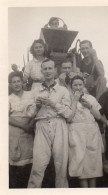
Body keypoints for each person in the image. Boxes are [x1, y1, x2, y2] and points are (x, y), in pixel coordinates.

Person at [27, 59, 72, 188]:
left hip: (59, 124)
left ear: (55, 70)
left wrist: (53, 104)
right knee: (38, 164)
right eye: (45, 69)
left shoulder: (62, 90)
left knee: (61, 164)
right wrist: (37, 106)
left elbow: (69, 113)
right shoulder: (35, 91)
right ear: (41, 71)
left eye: (50, 68)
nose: (47, 71)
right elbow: (29, 114)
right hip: (41, 125)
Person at [68, 75, 104, 187]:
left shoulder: (91, 98)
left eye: (80, 85)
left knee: (92, 162)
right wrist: (74, 100)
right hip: (76, 132)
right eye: (75, 85)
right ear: (71, 86)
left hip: (91, 131)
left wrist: (90, 106)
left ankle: (92, 190)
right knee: (80, 162)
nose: (78, 87)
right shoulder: (68, 99)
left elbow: (98, 116)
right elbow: (68, 118)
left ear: (83, 85)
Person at [9, 71, 35, 188]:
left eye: (18, 81)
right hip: (15, 130)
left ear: (22, 82)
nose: (16, 84)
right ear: (10, 84)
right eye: (13, 82)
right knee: (16, 160)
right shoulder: (8, 99)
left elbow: (36, 111)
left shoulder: (30, 95)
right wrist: (24, 126)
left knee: (29, 163)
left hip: (29, 129)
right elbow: (6, 117)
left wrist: (30, 125)